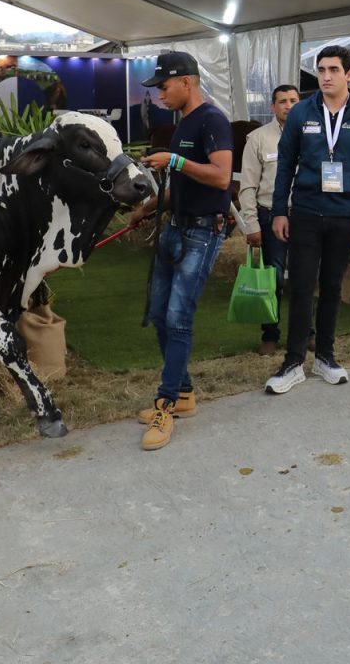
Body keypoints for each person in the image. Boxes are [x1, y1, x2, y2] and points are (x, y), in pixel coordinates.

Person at [266, 45, 350, 394]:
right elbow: (285, 165)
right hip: (305, 211)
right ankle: (292, 363)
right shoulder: (301, 113)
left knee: (333, 287)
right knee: (302, 286)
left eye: (333, 70)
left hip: (345, 215)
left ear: (349, 74)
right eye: (321, 70)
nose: (325, 76)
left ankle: (325, 357)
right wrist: (279, 210)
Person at [131, 52, 233, 451]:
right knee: (158, 312)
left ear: (186, 82)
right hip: (175, 228)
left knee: (178, 317)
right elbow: (184, 186)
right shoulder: (183, 123)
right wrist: (149, 208)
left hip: (203, 233)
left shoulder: (212, 120)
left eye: (163, 86)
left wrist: (175, 159)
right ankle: (184, 393)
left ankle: (166, 403)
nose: (159, 93)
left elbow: (222, 176)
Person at [237, 84, 301, 355]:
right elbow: (248, 186)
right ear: (272, 107)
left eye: (294, 100)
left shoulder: (314, 135)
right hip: (270, 216)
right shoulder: (258, 139)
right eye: (283, 101)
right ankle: (270, 336)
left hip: (305, 216)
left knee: (304, 278)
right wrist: (251, 225)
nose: (289, 106)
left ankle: (305, 334)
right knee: (272, 279)